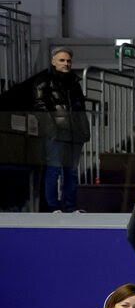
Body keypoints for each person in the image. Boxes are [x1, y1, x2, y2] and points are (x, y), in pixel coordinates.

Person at [31, 47, 91, 213]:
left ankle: (70, 208)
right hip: (56, 133)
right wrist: (51, 130)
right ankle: (52, 208)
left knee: (70, 173)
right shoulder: (43, 80)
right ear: (53, 61)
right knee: (54, 170)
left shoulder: (74, 82)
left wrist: (84, 131)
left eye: (69, 60)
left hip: (74, 134)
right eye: (62, 60)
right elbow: (40, 107)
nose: (66, 63)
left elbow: (80, 109)